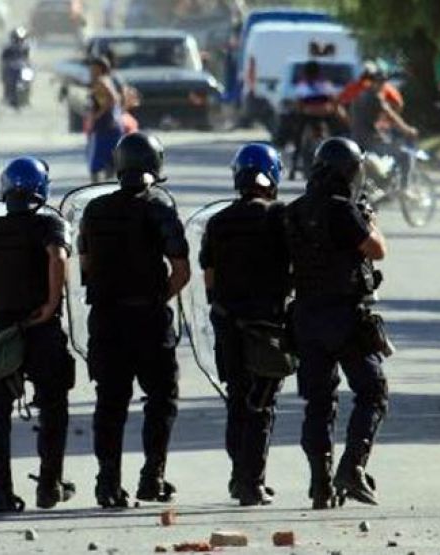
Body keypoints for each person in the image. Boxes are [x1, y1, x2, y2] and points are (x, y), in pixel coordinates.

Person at [77, 132, 190, 508]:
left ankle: (107, 483)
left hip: (106, 320)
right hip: (148, 319)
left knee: (109, 402)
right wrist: (158, 297)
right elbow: (181, 269)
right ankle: (152, 476)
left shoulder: (94, 210)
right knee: (161, 397)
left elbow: (86, 265)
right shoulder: (159, 206)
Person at [0, 157, 76, 513]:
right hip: (40, 328)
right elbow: (58, 258)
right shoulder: (49, 224)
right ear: (41, 189)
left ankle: (0, 492)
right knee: (53, 407)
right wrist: (50, 303)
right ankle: (49, 485)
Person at [285, 137, 389, 510]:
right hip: (342, 316)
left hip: (306, 318)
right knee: (372, 391)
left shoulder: (294, 211)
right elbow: (377, 250)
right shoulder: (344, 210)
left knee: (318, 402)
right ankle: (352, 467)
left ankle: (319, 485)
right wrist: (371, 223)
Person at [199, 143, 291, 507]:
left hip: (227, 323)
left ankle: (241, 477)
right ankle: (251, 483)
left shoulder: (218, 221)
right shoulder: (280, 216)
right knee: (262, 404)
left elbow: (209, 275)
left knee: (237, 400)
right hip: (266, 325)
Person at [350, 67, 418, 187]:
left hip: (356, 139)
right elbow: (391, 115)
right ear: (375, 82)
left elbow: (365, 119)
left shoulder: (360, 96)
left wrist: (381, 128)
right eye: (381, 82)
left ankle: (384, 183)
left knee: (388, 149)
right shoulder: (376, 97)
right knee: (404, 155)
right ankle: (405, 189)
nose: (382, 85)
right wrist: (408, 130)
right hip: (369, 141)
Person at [86, 56, 123, 182]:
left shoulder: (101, 81)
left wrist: (98, 114)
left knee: (95, 163)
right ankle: (110, 184)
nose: (90, 71)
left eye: (93, 68)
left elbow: (113, 98)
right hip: (113, 125)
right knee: (111, 159)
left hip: (104, 126)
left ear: (100, 68)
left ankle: (95, 189)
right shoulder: (109, 80)